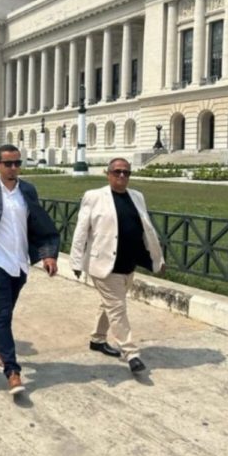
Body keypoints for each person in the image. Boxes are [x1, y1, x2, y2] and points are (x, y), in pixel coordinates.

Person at [0, 144, 60, 395]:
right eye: (8, 163)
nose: (13, 168)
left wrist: (48, 255)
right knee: (4, 313)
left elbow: (38, 225)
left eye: (17, 163)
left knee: (4, 312)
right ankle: (12, 371)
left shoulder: (27, 190)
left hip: (20, 261)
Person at [69, 157, 165, 375]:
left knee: (110, 304)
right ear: (108, 173)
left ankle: (97, 339)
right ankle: (131, 353)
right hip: (103, 263)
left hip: (128, 263)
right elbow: (81, 230)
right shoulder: (94, 197)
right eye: (117, 172)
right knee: (118, 307)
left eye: (126, 173)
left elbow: (146, 230)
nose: (122, 176)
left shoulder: (137, 196)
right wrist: (76, 260)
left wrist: (157, 260)